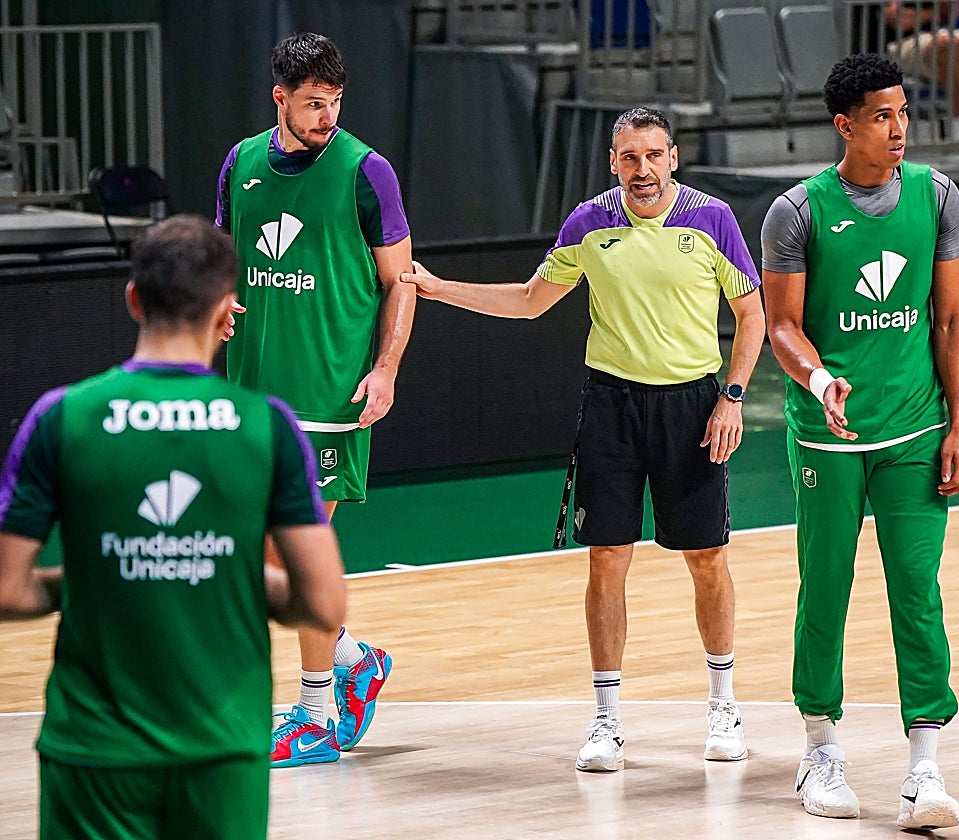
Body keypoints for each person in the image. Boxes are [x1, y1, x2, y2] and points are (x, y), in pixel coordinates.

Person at [401, 107, 765, 772]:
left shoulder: (712, 219)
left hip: (692, 407)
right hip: (612, 406)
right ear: (613, 163)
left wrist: (732, 397)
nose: (643, 170)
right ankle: (606, 720)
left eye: (654, 155)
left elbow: (751, 313)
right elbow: (530, 300)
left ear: (673, 159)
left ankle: (723, 705)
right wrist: (436, 289)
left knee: (707, 560)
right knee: (606, 561)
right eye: (630, 157)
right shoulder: (589, 223)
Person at [0, 216, 347, 839]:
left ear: (133, 299)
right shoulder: (268, 427)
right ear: (226, 310)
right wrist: (233, 575)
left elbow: (5, 589)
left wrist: (86, 577)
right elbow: (322, 603)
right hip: (222, 749)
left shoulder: (61, 418)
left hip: (93, 750)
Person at [760, 53, 959, 830]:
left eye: (904, 113)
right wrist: (821, 383)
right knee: (827, 590)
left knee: (918, 593)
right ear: (845, 126)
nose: (899, 129)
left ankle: (925, 768)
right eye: (882, 117)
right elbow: (782, 325)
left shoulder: (936, 195)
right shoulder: (798, 211)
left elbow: (952, 320)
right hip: (828, 440)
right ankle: (821, 749)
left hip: (916, 429)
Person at [216, 32, 417, 765]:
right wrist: (216, 303)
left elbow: (401, 281)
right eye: (311, 104)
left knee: (296, 552)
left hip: (328, 397)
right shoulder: (241, 163)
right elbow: (222, 258)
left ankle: (313, 713)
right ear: (280, 97)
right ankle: (354, 659)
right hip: (250, 395)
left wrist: (387, 367)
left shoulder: (367, 172)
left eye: (334, 102)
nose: (325, 115)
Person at [854, 1, 959, 141]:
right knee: (945, 44)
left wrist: (924, 13)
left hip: (939, 36)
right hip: (895, 46)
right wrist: (933, 14)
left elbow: (952, 11)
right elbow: (897, 19)